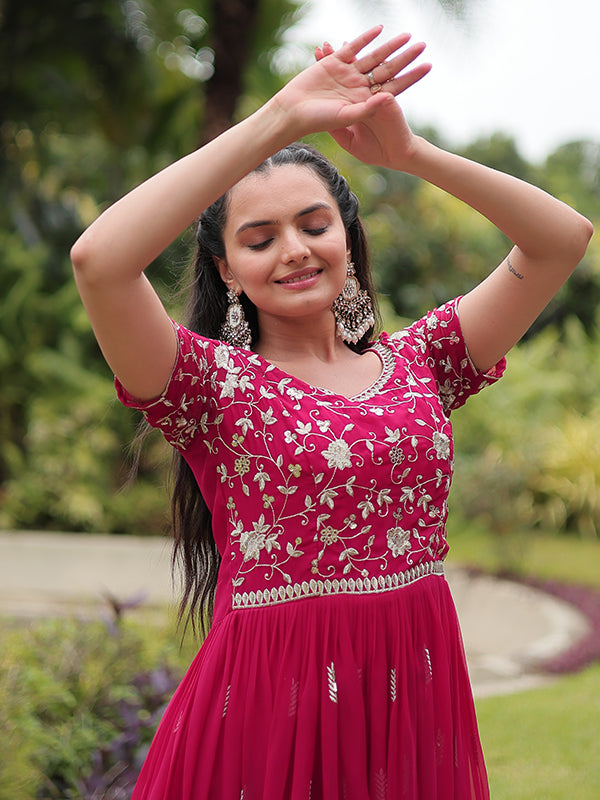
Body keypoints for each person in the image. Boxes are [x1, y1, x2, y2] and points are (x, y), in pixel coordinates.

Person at [70, 25, 592, 800]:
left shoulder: (422, 362)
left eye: (315, 225)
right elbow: (99, 260)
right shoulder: (209, 388)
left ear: (347, 238)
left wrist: (412, 156)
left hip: (413, 705)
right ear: (228, 270)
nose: (294, 250)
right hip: (265, 721)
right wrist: (281, 120)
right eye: (259, 237)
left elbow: (561, 240)